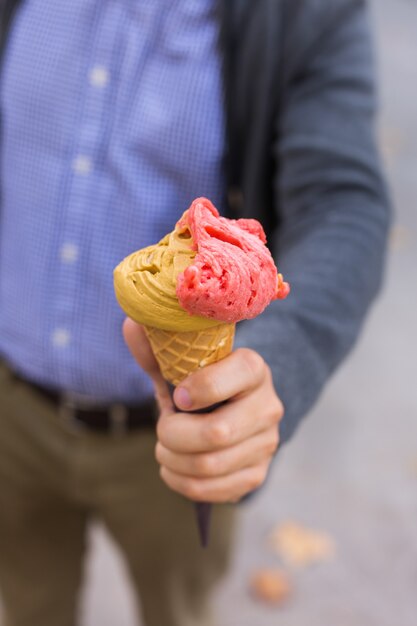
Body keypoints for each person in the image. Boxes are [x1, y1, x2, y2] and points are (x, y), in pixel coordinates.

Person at [0, 1, 390, 625]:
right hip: (10, 410)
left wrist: (273, 366)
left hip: (179, 443)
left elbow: (344, 206)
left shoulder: (305, 14)